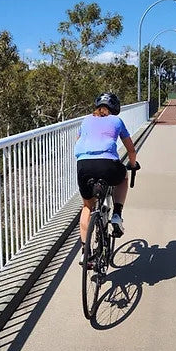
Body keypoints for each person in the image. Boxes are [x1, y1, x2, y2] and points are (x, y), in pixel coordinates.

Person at [74, 92, 138, 262]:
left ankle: (85, 253)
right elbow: (131, 149)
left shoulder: (85, 120)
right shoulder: (117, 121)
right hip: (108, 165)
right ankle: (117, 214)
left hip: (84, 165)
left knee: (87, 207)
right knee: (123, 176)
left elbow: (79, 141)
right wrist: (132, 164)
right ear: (115, 108)